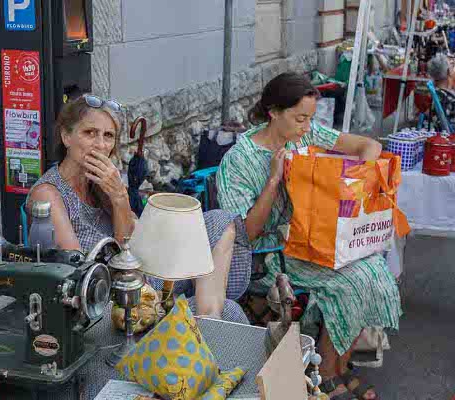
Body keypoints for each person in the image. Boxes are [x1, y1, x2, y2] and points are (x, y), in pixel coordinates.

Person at [217, 73, 402, 400]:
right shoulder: (239, 161)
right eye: (300, 118)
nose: (307, 126)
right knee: (349, 281)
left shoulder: (302, 136)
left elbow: (368, 145)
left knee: (374, 269)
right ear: (274, 112)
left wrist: (359, 176)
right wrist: (274, 181)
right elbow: (246, 234)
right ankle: (329, 374)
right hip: (268, 254)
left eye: (310, 119)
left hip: (307, 241)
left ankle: (340, 366)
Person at [26, 94, 251, 323]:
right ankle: (210, 321)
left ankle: (209, 317)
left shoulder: (102, 182)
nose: (100, 145)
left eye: (108, 136)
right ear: (66, 136)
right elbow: (81, 273)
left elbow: (133, 241)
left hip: (139, 274)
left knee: (220, 220)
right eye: (89, 133)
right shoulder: (49, 193)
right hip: (112, 296)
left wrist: (119, 198)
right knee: (231, 310)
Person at [427, 53, 455, 131]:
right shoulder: (450, 99)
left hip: (438, 133)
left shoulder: (435, 93)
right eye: (451, 65)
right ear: (448, 71)